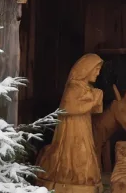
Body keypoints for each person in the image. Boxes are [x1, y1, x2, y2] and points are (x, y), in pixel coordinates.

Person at [38, 53, 104, 186]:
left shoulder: (88, 88)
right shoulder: (74, 87)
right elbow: (70, 109)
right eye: (96, 70)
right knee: (76, 151)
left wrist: (98, 97)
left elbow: (98, 110)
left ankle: (85, 178)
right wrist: (93, 101)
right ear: (87, 69)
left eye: (99, 71)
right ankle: (73, 177)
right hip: (73, 127)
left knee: (85, 150)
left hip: (84, 124)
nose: (97, 74)